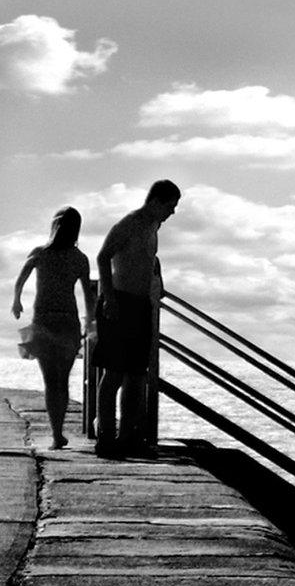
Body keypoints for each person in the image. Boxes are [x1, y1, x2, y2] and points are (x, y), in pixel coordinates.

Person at [93, 179, 181, 457]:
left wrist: (158, 278)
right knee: (114, 373)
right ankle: (105, 436)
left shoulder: (154, 227)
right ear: (156, 201)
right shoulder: (129, 223)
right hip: (118, 301)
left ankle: (128, 436)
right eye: (170, 206)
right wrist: (108, 297)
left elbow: (149, 258)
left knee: (136, 375)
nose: (173, 213)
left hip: (141, 305)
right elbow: (103, 256)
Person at [10, 207, 95, 449]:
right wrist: (90, 321)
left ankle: (57, 433)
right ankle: (57, 433)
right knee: (62, 381)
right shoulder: (79, 258)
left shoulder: (41, 253)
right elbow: (88, 294)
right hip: (67, 321)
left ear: (54, 226)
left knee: (51, 381)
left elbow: (22, 276)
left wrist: (16, 300)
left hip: (45, 321)